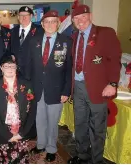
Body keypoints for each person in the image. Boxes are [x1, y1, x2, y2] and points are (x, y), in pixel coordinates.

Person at [67, 5, 122, 164]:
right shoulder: (74, 37)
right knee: (80, 123)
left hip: (98, 88)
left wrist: (112, 83)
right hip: (77, 87)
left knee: (98, 126)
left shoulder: (105, 33)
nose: (80, 21)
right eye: (76, 19)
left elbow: (114, 59)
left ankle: (96, 160)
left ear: (90, 15)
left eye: (83, 17)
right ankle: (82, 155)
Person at [26, 10, 72, 162]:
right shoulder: (34, 41)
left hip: (57, 90)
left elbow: (68, 69)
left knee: (53, 121)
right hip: (37, 89)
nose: (50, 24)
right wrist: (29, 88)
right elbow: (29, 67)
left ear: (58, 24)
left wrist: (66, 91)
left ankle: (51, 148)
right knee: (39, 120)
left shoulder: (66, 41)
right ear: (42, 24)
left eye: (53, 21)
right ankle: (41, 144)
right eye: (47, 22)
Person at [0, 55, 36, 164]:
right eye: (6, 66)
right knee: (5, 157)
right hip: (2, 128)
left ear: (16, 67)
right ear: (1, 68)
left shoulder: (27, 85)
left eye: (12, 66)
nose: (9, 69)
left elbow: (33, 110)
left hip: (22, 128)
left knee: (20, 158)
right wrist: (7, 135)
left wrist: (22, 133)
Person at [10, 6, 43, 80]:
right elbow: (10, 50)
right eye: (21, 15)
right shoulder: (12, 31)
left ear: (31, 16)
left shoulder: (40, 31)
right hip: (16, 74)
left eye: (26, 15)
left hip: (33, 73)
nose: (24, 18)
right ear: (18, 17)